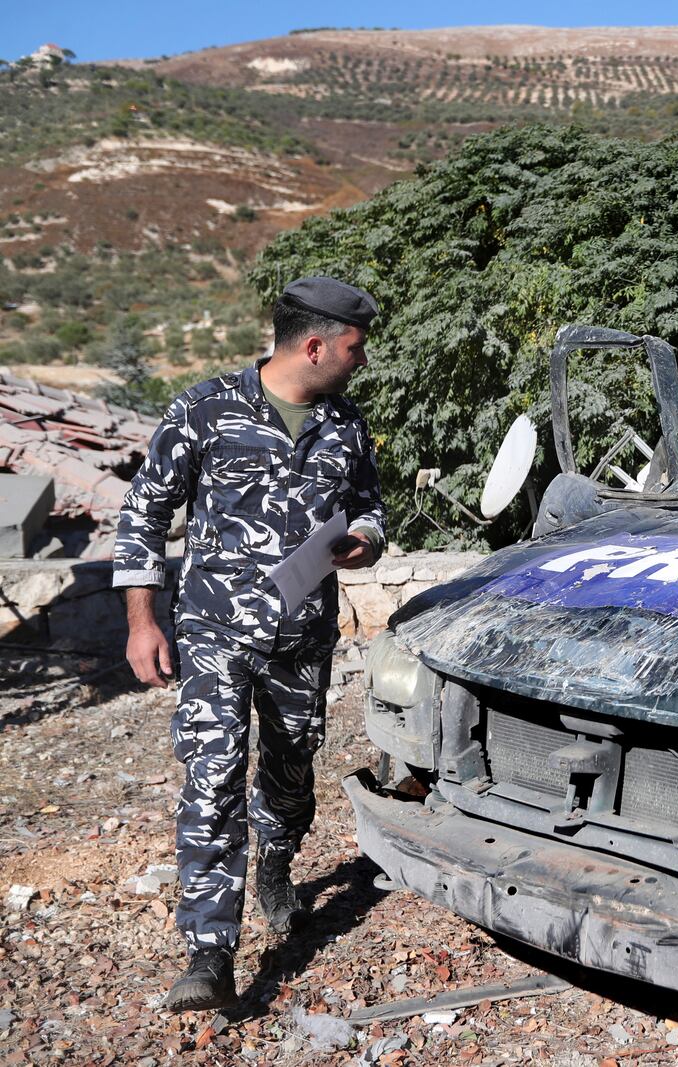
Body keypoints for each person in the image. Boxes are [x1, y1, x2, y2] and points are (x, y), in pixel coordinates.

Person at [113, 277, 387, 1012]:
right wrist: (143, 620)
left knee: (292, 769)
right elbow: (143, 515)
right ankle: (210, 950)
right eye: (355, 348)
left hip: (302, 637)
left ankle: (277, 861)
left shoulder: (346, 423)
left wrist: (365, 538)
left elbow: (369, 505)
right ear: (315, 344)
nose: (362, 361)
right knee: (212, 777)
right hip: (214, 633)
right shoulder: (204, 410)